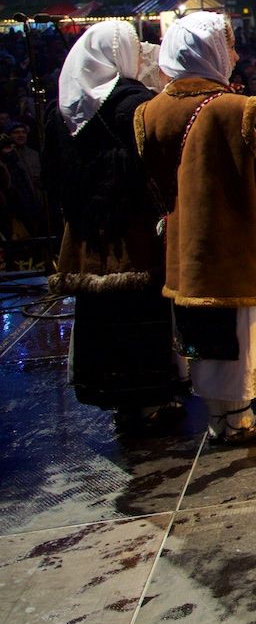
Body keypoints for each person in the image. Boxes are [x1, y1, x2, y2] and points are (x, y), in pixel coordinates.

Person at [135, 12, 256, 444]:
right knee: (239, 331)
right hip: (234, 242)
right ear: (210, 52)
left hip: (184, 243)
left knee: (203, 334)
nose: (236, 55)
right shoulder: (236, 108)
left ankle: (218, 415)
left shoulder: (150, 111)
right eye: (229, 46)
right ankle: (239, 418)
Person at [43, 23, 184, 427]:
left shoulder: (62, 109)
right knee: (141, 310)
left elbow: (53, 175)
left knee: (101, 312)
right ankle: (150, 396)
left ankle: (115, 396)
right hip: (133, 229)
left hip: (87, 232)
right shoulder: (133, 103)